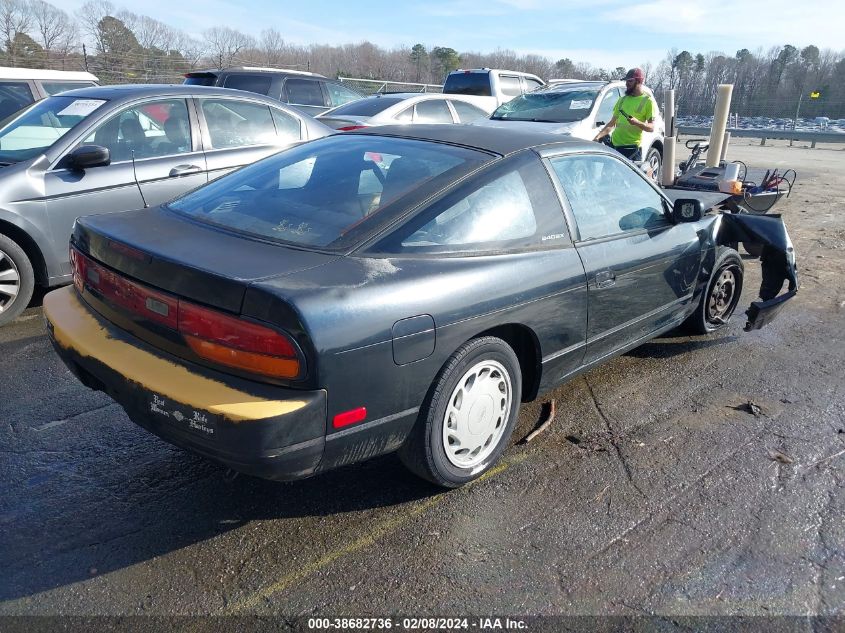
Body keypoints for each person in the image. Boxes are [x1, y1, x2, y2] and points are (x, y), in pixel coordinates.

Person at [593, 68, 655, 162]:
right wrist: (598, 137)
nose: (627, 84)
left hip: (632, 150)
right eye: (626, 81)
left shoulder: (647, 101)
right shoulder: (622, 100)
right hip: (614, 148)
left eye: (630, 81)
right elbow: (611, 124)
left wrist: (637, 122)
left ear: (639, 81)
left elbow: (651, 127)